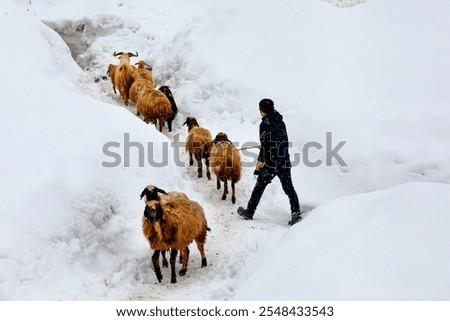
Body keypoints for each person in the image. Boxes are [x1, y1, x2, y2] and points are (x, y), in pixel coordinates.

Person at [237, 98, 302, 226]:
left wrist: (260, 161)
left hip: (271, 163)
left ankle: (249, 212)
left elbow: (266, 145)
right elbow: (277, 141)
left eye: (260, 109)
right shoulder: (280, 121)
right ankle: (296, 214)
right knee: (289, 189)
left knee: (259, 186)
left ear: (261, 110)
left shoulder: (265, 124)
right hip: (283, 161)